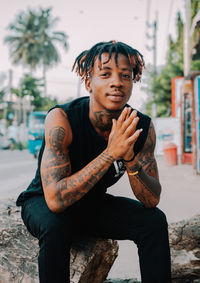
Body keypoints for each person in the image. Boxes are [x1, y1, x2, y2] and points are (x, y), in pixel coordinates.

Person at [16, 40, 171, 283]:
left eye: (125, 75)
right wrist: (111, 153)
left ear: (132, 82)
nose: (117, 82)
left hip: (92, 204)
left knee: (153, 221)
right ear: (88, 82)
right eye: (106, 74)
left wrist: (129, 157)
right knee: (57, 225)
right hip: (43, 201)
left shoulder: (140, 126)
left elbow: (151, 199)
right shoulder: (61, 119)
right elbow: (55, 201)